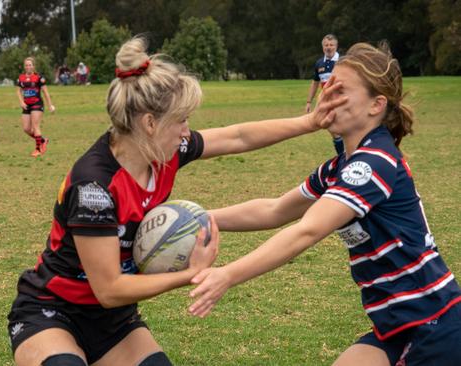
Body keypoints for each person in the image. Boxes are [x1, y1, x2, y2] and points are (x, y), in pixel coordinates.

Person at [7, 36, 345, 366]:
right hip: (51, 310)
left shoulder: (164, 154)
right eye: (181, 120)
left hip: (112, 320)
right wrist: (192, 274)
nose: (187, 132)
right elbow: (109, 287)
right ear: (150, 123)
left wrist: (309, 122)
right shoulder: (94, 185)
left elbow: (237, 136)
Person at [188, 43, 461, 366]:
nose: (329, 96)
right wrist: (195, 219)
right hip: (396, 326)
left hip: (435, 324)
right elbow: (274, 210)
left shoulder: (373, 163)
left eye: (341, 91)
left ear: (376, 105)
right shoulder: (339, 168)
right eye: (328, 86)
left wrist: (228, 275)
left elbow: (308, 230)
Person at [306, 34, 344, 155]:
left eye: (331, 45)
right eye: (326, 45)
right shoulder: (319, 64)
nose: (329, 47)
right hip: (327, 102)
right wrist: (308, 102)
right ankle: (342, 156)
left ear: (336, 46)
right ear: (323, 47)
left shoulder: (343, 61)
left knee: (345, 129)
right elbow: (315, 83)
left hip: (342, 100)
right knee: (333, 130)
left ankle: (349, 155)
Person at [16, 57, 55, 158]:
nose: (28, 67)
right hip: (26, 105)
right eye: (26, 65)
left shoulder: (39, 78)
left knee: (35, 126)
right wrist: (21, 102)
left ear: (33, 66)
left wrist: (50, 105)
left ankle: (38, 149)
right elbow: (18, 91)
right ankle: (43, 140)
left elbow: (45, 92)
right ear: (24, 67)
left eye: (30, 65)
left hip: (37, 104)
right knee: (26, 129)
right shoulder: (21, 78)